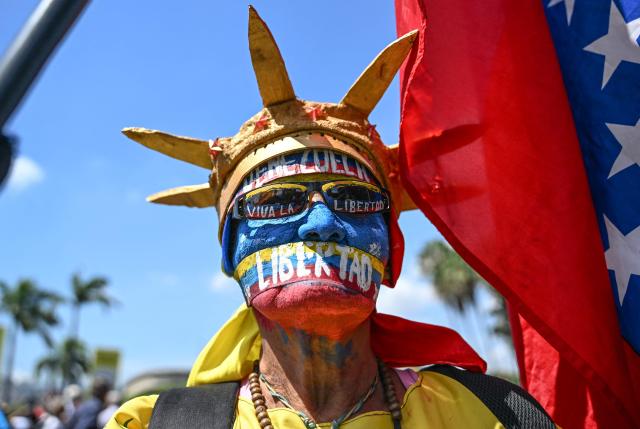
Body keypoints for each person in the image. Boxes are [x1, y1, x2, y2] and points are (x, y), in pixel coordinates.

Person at [107, 7, 556, 429]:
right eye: (279, 200)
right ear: (229, 248)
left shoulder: (492, 415)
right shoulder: (151, 423)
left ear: (391, 247)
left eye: (354, 199)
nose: (321, 221)